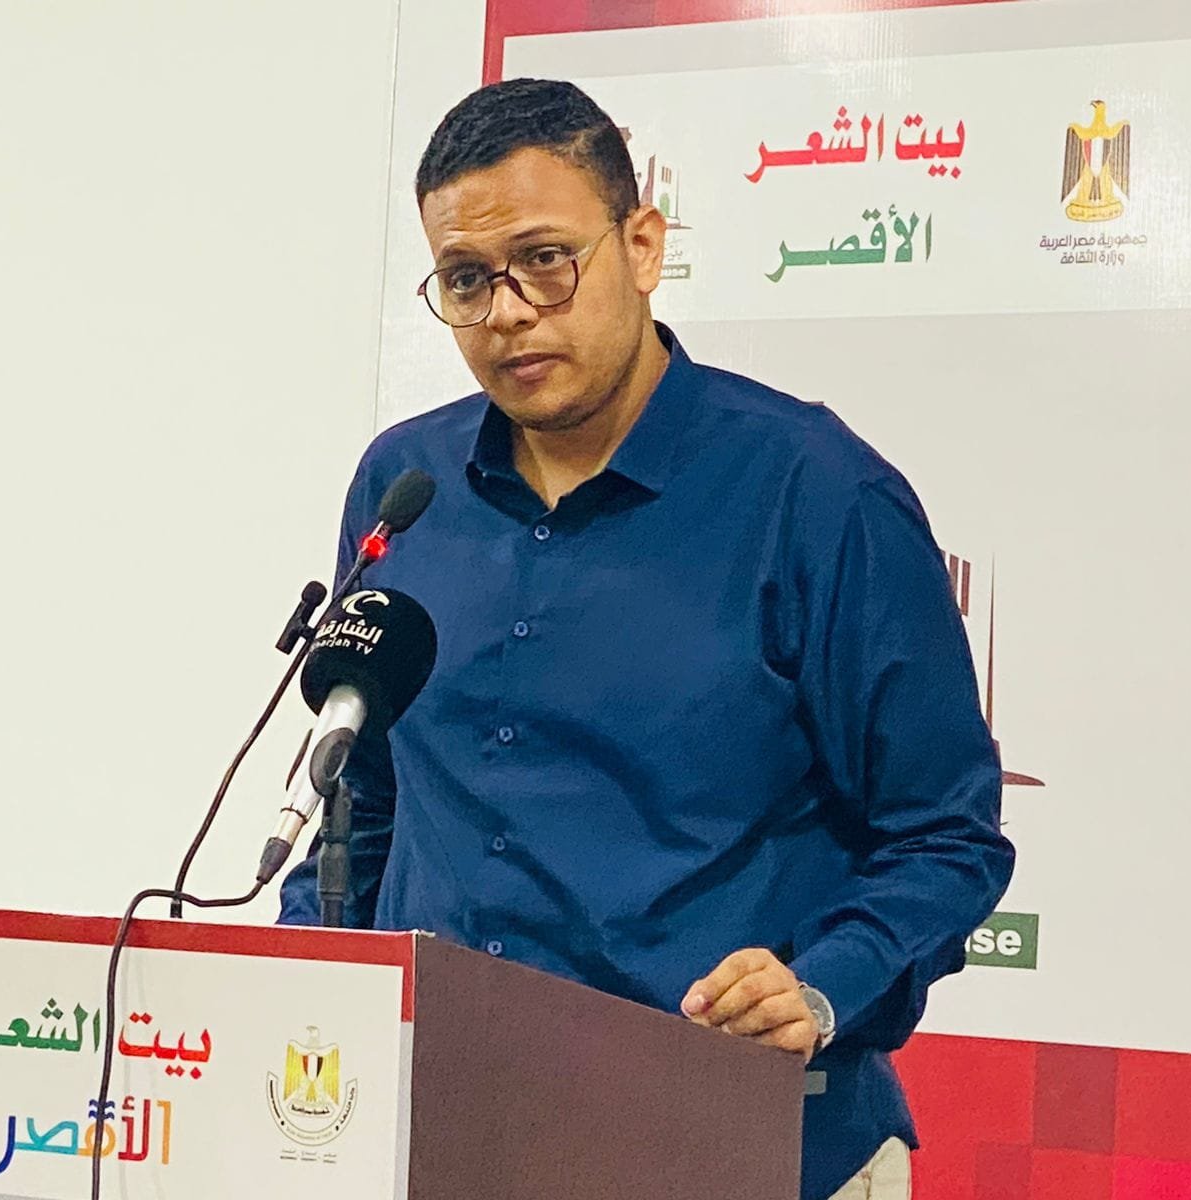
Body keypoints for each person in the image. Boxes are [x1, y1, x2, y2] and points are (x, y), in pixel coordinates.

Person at [278, 77, 1014, 1200]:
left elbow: (946, 837)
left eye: (544, 261)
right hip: (452, 1138)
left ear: (642, 246)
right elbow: (364, 801)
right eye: (467, 279)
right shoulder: (404, 487)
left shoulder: (816, 494)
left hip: (748, 1146)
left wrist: (819, 988)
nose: (508, 311)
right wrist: (297, 984)